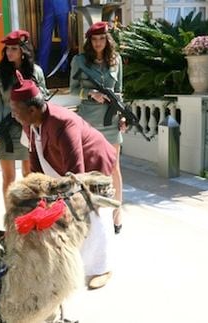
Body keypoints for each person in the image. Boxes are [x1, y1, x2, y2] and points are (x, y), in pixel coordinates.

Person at [10, 70, 118, 290]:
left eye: (16, 110)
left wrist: (57, 198)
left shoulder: (62, 123)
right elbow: (35, 160)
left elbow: (75, 173)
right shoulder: (30, 122)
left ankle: (101, 267)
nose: (13, 115)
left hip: (93, 163)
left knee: (94, 213)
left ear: (31, 109)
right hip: (60, 168)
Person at [69, 21, 125, 234]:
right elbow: (73, 90)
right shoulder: (80, 61)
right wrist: (90, 94)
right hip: (89, 122)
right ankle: (91, 216)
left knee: (114, 169)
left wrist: (123, 117)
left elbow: (120, 91)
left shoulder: (116, 60)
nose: (98, 43)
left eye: (102, 38)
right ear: (89, 41)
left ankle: (117, 215)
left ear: (107, 40)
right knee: (90, 169)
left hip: (111, 121)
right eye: (94, 39)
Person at [0, 29, 48, 207]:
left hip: (29, 129)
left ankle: (32, 215)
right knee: (9, 178)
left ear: (23, 51)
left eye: (13, 49)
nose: (9, 53)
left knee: (29, 175)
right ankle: (10, 219)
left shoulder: (35, 71)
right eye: (7, 49)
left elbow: (44, 96)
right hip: (6, 129)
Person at [37, 0, 72, 75]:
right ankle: (42, 69)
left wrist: (73, 5)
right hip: (54, 6)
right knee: (45, 38)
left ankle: (64, 67)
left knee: (64, 38)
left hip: (61, 6)